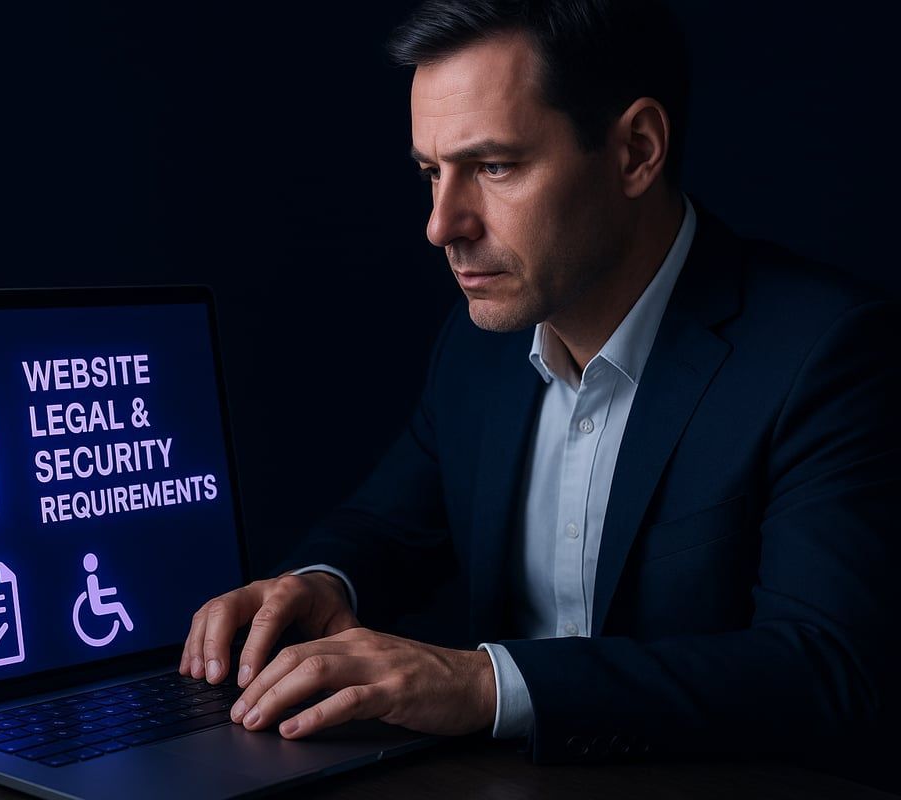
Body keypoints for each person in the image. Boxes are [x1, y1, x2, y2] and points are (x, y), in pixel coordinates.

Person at [179, 0, 897, 766]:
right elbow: (389, 527)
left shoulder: (828, 352)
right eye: (431, 172)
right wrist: (322, 584)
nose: (442, 225)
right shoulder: (480, 344)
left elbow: (827, 671)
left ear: (636, 151)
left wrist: (484, 685)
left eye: (495, 167)